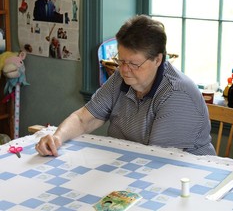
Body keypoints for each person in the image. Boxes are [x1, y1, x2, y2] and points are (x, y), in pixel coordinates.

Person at [35, 15, 216, 157]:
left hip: (181, 177)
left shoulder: (177, 94)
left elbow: (157, 159)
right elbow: (84, 119)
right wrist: (57, 138)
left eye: (134, 64)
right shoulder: (122, 78)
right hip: (133, 164)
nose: (124, 69)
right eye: (121, 60)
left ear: (158, 59)